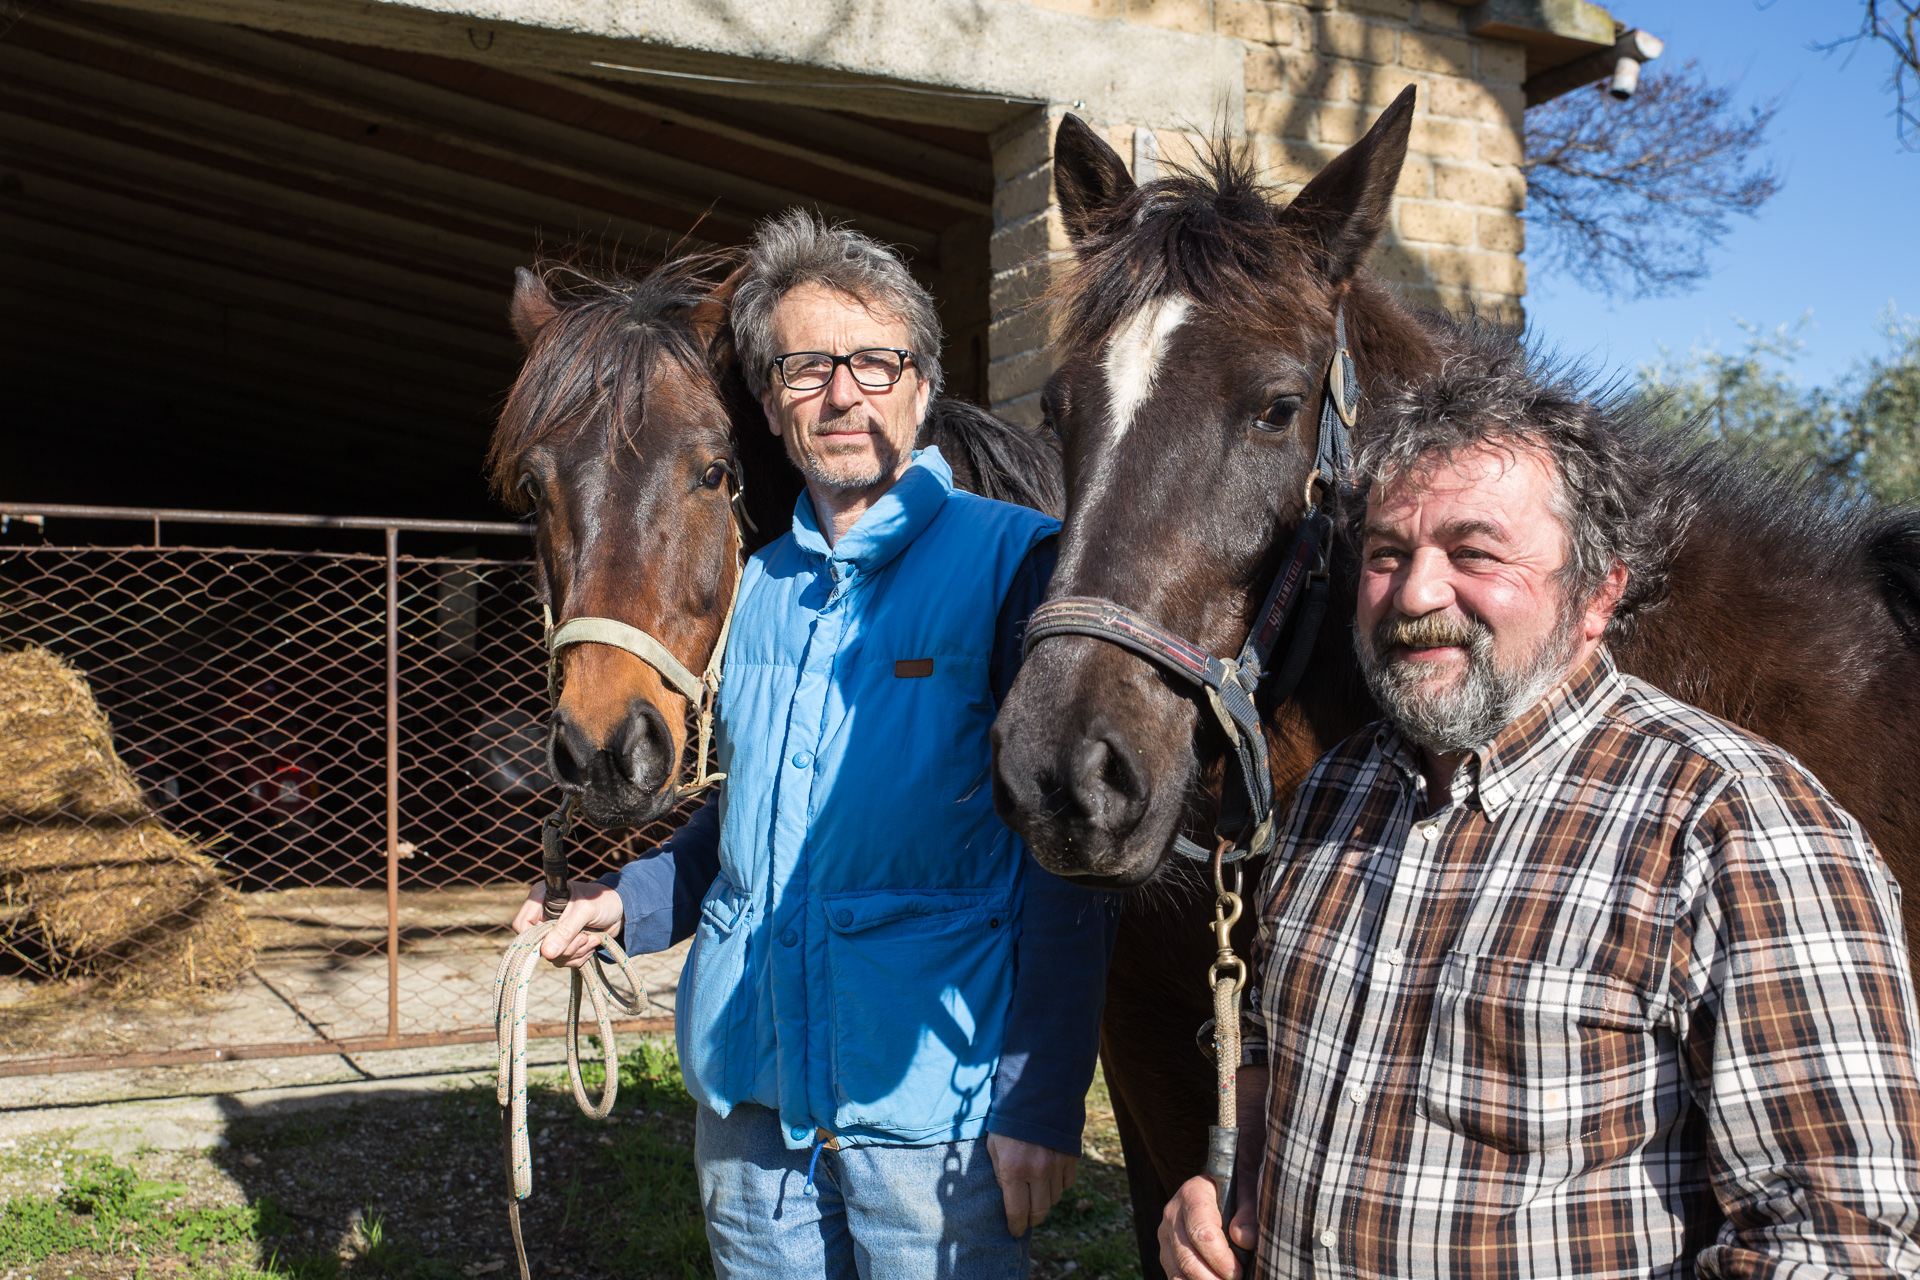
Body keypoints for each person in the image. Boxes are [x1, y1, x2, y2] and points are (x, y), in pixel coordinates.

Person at [1159, 350, 1920, 1278]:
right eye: (1388, 554)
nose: (1415, 594)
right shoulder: (1332, 795)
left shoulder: (1743, 830)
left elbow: (1834, 1242)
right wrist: (1233, 1195)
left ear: (1598, 594)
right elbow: (1282, 1062)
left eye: (1473, 552)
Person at [512, 209, 1116, 1279]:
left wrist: (1043, 1091)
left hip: (931, 1115)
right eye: (805, 367)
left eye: (874, 362)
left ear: (921, 383)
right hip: (752, 1105)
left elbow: (1067, 855)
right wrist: (631, 901)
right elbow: (755, 820)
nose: (842, 393)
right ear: (772, 407)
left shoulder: (1017, 565)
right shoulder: (757, 589)